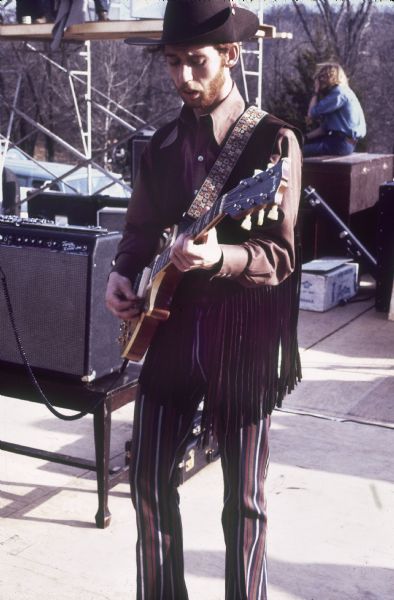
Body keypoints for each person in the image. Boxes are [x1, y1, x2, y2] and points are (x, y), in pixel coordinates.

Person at [105, 1, 302, 598]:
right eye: (172, 63)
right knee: (146, 486)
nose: (183, 78)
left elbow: (280, 255)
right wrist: (124, 272)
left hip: (243, 332)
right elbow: (140, 229)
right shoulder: (161, 144)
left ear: (232, 56)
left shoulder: (273, 141)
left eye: (196, 62)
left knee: (243, 504)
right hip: (170, 326)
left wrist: (224, 257)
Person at [304, 62, 366, 157]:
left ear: (332, 78)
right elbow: (324, 129)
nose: (320, 80)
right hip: (340, 142)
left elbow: (312, 113)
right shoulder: (342, 93)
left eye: (323, 77)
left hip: (340, 144)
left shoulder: (338, 94)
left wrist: (315, 92)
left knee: (296, 152)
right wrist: (304, 138)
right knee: (299, 146)